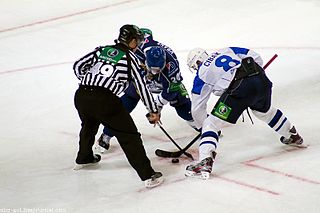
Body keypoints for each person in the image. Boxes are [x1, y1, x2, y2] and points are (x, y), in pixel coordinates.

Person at [184, 47, 304, 180]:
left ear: (196, 64)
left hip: (240, 89)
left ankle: (205, 160)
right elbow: (255, 57)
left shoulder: (201, 73)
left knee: (211, 123)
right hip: (260, 79)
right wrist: (251, 78)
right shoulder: (225, 50)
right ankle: (292, 134)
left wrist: (204, 130)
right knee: (264, 112)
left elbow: (197, 108)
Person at [73, 24, 164, 188]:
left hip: (82, 96)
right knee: (129, 136)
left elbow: (78, 66)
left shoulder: (102, 50)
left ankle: (84, 158)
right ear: (133, 41)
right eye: (138, 41)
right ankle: (148, 176)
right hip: (105, 100)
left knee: (89, 125)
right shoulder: (130, 58)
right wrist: (153, 111)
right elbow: (141, 88)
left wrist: (89, 81)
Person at [95, 28, 196, 153]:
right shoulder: (140, 48)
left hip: (164, 82)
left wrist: (157, 108)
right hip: (141, 76)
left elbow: (170, 91)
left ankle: (202, 124)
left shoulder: (171, 66)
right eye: (152, 68)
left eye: (157, 69)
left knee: (181, 104)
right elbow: (141, 33)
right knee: (128, 100)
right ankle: (106, 135)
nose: (153, 72)